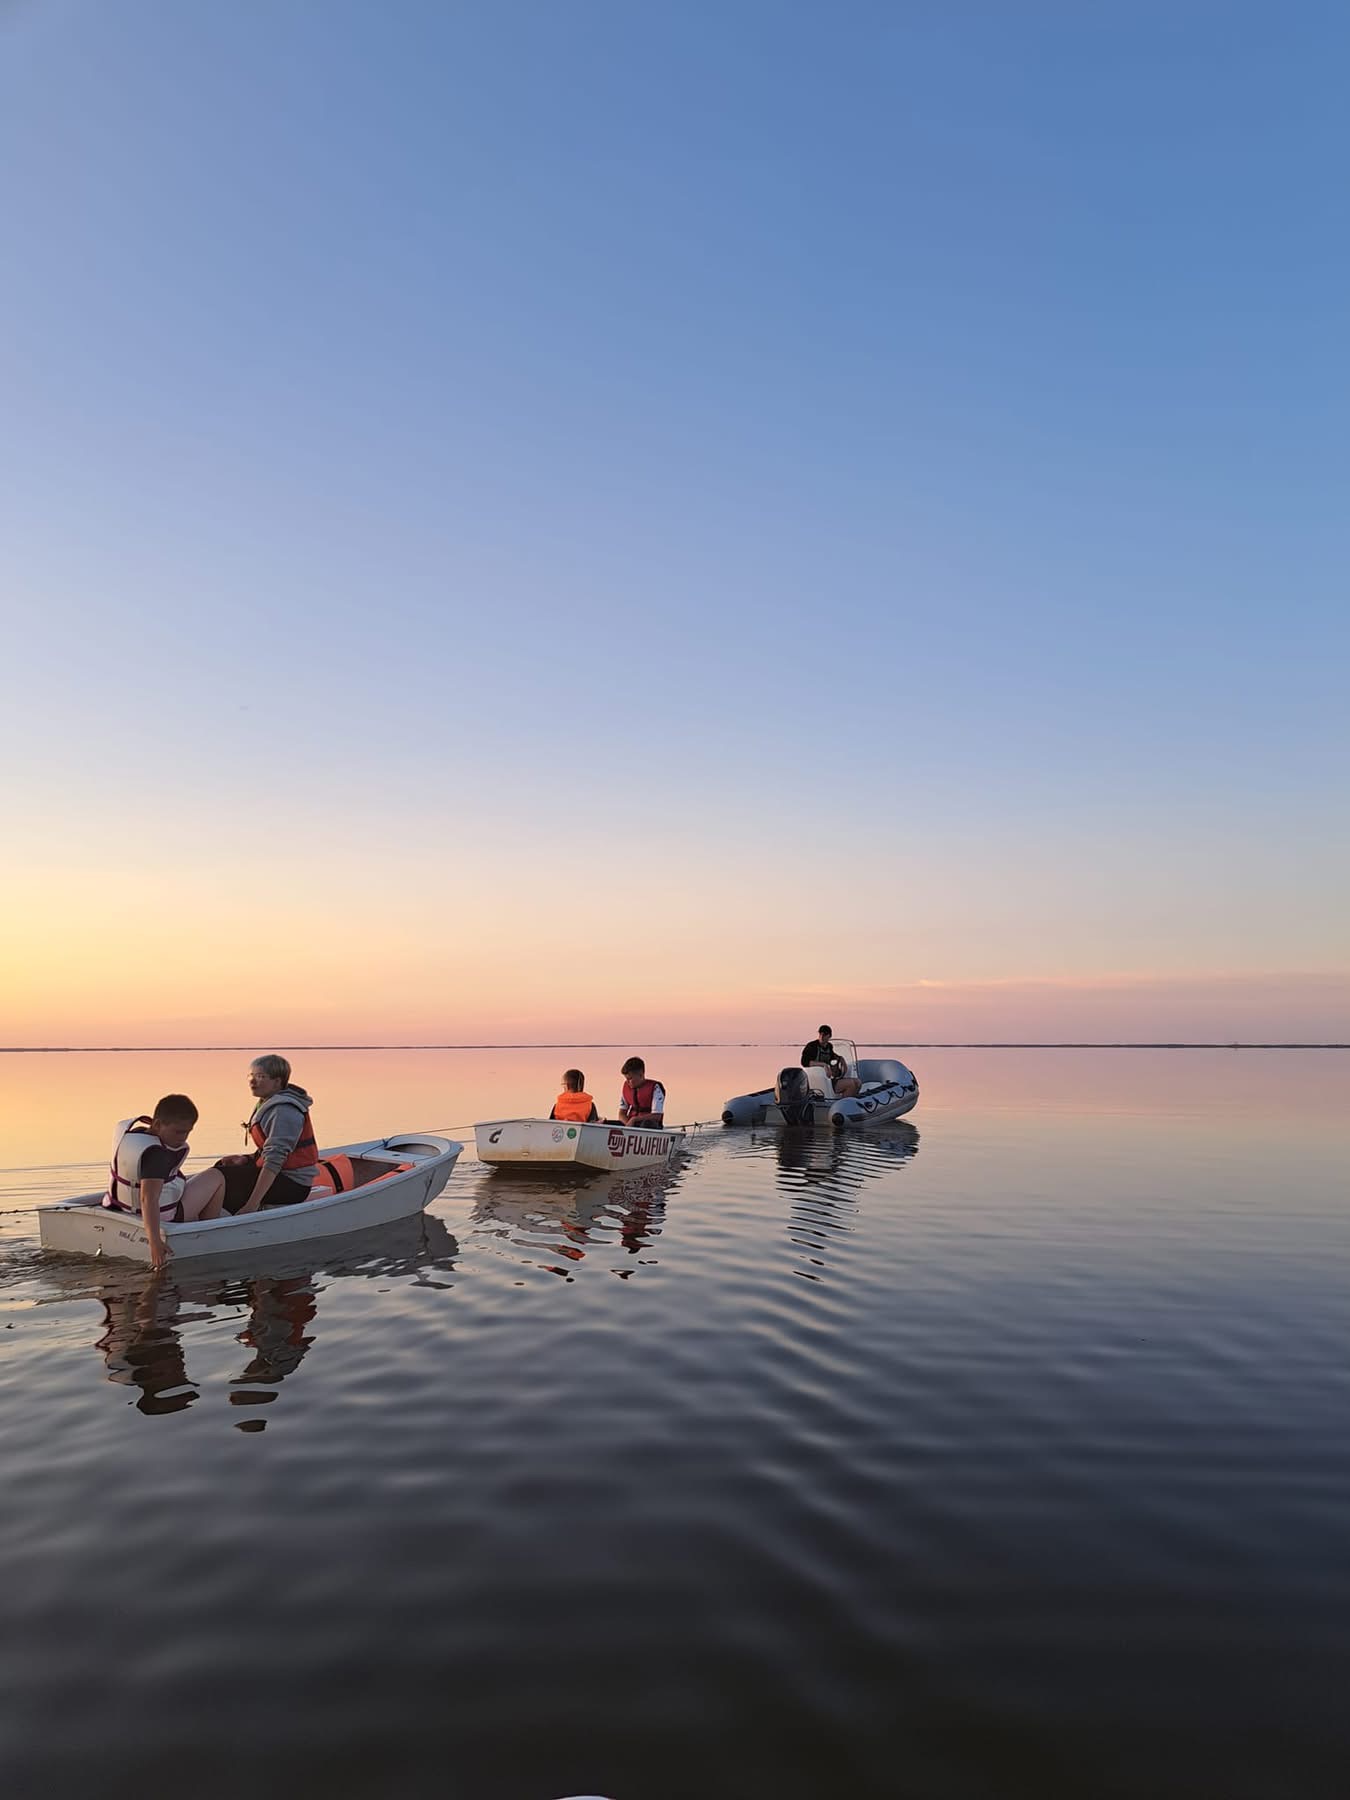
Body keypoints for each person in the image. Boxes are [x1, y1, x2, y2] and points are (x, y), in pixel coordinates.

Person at [101, 1095, 227, 1271]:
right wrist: (154, 1242)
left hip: (122, 1207)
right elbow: (148, 1198)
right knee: (216, 1176)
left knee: (190, 1179)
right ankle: (207, 1230)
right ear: (158, 1124)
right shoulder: (157, 1155)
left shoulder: (134, 1134)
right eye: (179, 1131)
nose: (184, 1138)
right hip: (164, 1217)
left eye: (188, 1132)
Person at [216, 1054, 319, 1213]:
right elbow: (267, 1150)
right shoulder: (266, 1102)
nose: (252, 1081)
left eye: (260, 1076)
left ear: (277, 1081)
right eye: (251, 1075)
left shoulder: (284, 1110)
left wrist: (251, 1205)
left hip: (293, 1183)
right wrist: (246, 1159)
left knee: (221, 1178)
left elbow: (274, 1160)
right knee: (222, 1167)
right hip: (281, 1174)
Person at [799, 1024, 860, 1097]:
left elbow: (832, 1056)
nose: (822, 1037)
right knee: (851, 1084)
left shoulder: (829, 1046)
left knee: (858, 1082)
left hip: (830, 1079)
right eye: (820, 1034)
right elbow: (804, 1062)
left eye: (824, 1035)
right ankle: (841, 1105)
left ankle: (849, 1102)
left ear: (829, 1036)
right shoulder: (812, 1046)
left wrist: (841, 1059)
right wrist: (823, 1065)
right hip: (820, 1079)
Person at [618, 1056, 666, 1127]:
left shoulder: (655, 1088)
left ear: (641, 1075)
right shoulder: (627, 1088)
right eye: (626, 1079)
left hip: (649, 1125)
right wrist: (628, 1124)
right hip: (630, 1124)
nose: (628, 1082)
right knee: (606, 1123)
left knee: (647, 1124)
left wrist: (634, 1119)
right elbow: (621, 1114)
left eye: (630, 1078)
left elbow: (657, 1116)